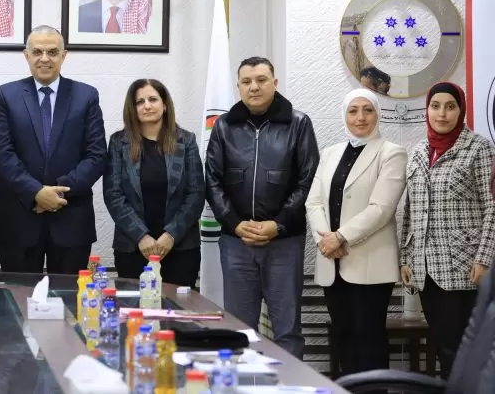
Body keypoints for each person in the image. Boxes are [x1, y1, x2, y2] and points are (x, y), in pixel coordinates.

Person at [205, 56, 319, 358]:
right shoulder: (224, 126)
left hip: (284, 241)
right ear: (238, 86)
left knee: (287, 331)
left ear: (274, 83)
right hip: (237, 242)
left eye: (261, 80)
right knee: (240, 330)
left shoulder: (298, 124)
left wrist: (278, 224)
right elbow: (212, 179)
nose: (254, 87)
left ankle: (289, 383)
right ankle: (241, 383)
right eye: (246, 81)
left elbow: (307, 180)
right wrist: (233, 222)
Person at [0, 25, 107, 275]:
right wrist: (36, 193)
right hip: (18, 217)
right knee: (17, 296)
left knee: (68, 297)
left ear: (64, 55)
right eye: (37, 52)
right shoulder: (6, 95)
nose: (45, 58)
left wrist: (56, 194)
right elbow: (2, 155)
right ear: (26, 55)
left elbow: (96, 156)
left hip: (70, 217)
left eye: (52, 52)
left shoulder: (86, 96)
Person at [306, 88, 407, 376]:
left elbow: (381, 208)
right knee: (344, 335)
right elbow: (313, 202)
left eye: (368, 110)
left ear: (378, 114)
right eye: (353, 110)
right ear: (344, 115)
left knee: (368, 337)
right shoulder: (330, 153)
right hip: (332, 261)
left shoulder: (392, 153)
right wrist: (326, 240)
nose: (360, 117)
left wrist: (340, 237)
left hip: (370, 263)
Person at [400, 82, 495, 378]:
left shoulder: (479, 148)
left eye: (450, 106)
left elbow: (493, 207)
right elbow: (410, 210)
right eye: (435, 106)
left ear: (461, 110)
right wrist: (405, 258)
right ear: (427, 110)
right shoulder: (418, 151)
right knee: (443, 346)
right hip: (426, 271)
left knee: (462, 350)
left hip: (464, 269)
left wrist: (484, 259)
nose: (442, 114)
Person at [103, 79, 203, 285]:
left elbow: (196, 193)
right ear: (132, 108)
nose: (147, 106)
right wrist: (141, 236)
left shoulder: (186, 141)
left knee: (179, 306)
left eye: (153, 99)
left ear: (164, 105)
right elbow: (113, 195)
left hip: (181, 247)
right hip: (133, 247)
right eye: (140, 102)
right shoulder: (118, 143)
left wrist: (171, 235)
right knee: (134, 305)